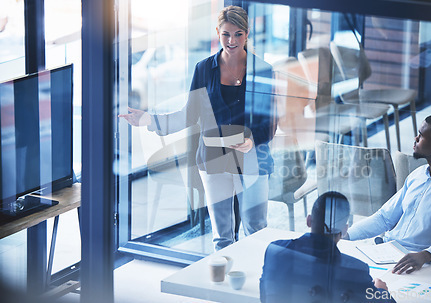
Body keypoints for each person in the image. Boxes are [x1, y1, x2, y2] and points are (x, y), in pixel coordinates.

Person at [119, 6, 277, 250]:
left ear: (247, 34)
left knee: (256, 229)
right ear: (218, 33)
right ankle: (222, 284)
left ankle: (259, 283)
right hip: (214, 158)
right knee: (222, 236)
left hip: (253, 158)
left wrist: (252, 141)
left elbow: (271, 120)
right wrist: (150, 120)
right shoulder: (204, 69)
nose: (232, 41)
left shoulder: (263, 70)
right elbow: (190, 114)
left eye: (238, 34)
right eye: (226, 34)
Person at [345, 114, 431, 274]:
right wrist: (346, 235)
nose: (415, 138)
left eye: (420, 135)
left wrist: (425, 256)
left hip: (419, 266)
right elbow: (384, 218)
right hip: (385, 254)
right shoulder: (417, 174)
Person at [259, 192, 395, 303]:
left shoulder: (275, 251)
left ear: (308, 221)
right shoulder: (355, 270)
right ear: (344, 230)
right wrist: (382, 291)